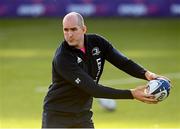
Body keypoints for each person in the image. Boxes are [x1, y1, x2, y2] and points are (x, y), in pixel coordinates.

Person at [42, 12, 169, 128]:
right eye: (66, 30)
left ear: (84, 29)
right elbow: (94, 89)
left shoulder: (98, 42)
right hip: (57, 117)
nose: (69, 34)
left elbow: (123, 62)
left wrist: (148, 74)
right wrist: (132, 94)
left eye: (74, 29)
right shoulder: (63, 58)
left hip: (83, 115)